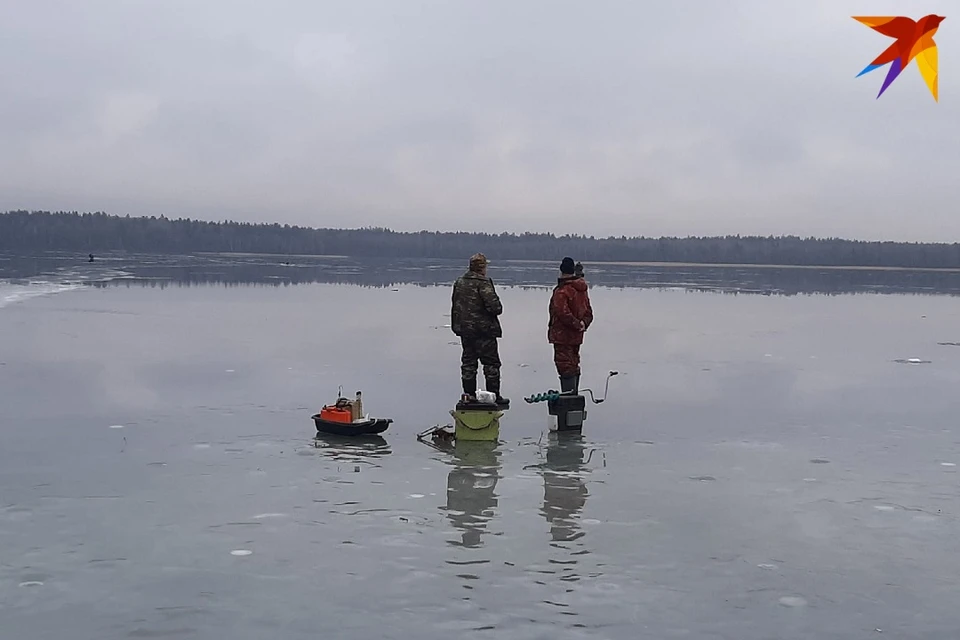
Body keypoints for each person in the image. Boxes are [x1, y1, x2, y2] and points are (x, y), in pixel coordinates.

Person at [451, 253, 508, 405]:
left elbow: (455, 305)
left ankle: (469, 396)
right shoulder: (484, 283)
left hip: (465, 331)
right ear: (482, 268)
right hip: (484, 332)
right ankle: (493, 397)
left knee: (469, 364)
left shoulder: (459, 282)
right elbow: (495, 308)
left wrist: (457, 326)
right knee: (491, 365)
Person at [548, 257, 593, 394]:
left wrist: (576, 324)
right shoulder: (582, 290)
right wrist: (582, 324)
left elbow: (562, 313)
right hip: (576, 336)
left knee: (565, 365)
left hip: (562, 336)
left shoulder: (562, 291)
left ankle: (569, 398)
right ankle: (573, 395)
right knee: (573, 365)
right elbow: (589, 313)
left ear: (561, 271)